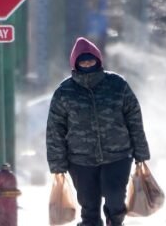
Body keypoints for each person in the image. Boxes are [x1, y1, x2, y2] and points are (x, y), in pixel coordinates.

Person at [46, 37, 150, 226]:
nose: (87, 63)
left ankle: (115, 221)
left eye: (90, 59)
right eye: (82, 60)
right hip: (80, 160)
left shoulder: (117, 85)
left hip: (117, 155)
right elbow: (55, 130)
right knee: (89, 207)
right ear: (75, 63)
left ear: (98, 60)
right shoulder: (64, 92)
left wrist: (140, 151)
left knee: (115, 198)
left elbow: (134, 119)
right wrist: (57, 163)